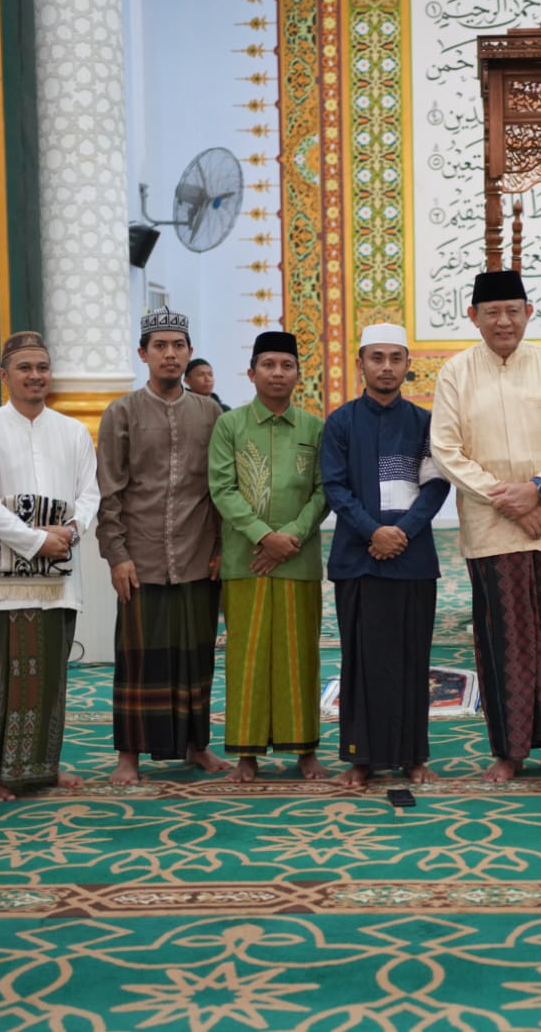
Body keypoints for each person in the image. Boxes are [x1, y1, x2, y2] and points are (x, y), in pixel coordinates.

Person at [430, 269, 541, 783]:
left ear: (529, 312)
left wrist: (539, 487)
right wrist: (511, 498)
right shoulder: (455, 373)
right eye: (492, 312)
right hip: (492, 527)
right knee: (503, 638)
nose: (503, 320)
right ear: (473, 317)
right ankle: (509, 751)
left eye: (512, 310)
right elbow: (446, 450)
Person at [0, 332, 100, 801]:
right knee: (1, 675)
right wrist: (37, 540)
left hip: (59, 571)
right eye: (25, 368)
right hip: (4, 580)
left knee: (50, 676)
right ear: (4, 376)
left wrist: (72, 533)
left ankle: (43, 767)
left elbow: (90, 493)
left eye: (42, 367)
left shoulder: (73, 431)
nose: (36, 375)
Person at [96, 308, 227, 784]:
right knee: (138, 659)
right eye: (160, 347)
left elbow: (218, 488)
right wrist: (117, 555)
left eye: (177, 346)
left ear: (189, 352)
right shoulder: (122, 412)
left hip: (196, 554)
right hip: (142, 558)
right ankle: (128, 757)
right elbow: (109, 491)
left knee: (196, 655)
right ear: (143, 354)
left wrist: (219, 549)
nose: (169, 354)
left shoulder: (210, 412)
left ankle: (197, 746)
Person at [321, 323, 451, 788]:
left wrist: (402, 533)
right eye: (377, 358)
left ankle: (413, 756)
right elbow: (335, 487)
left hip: (412, 561)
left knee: (413, 659)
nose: (387, 367)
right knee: (361, 660)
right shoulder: (340, 423)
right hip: (359, 560)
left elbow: (436, 484)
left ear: (407, 365)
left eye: (396, 358)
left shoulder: (424, 423)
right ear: (360, 364)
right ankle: (360, 758)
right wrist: (374, 532)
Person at [209, 329, 329, 782]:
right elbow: (221, 488)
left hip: (298, 560)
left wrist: (291, 537)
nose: (278, 374)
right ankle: (246, 755)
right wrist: (263, 536)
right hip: (246, 561)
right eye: (269, 365)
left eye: (287, 366)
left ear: (298, 373)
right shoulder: (230, 425)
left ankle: (305, 752)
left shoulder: (315, 427)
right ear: (252, 372)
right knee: (248, 655)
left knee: (301, 657)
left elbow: (323, 491)